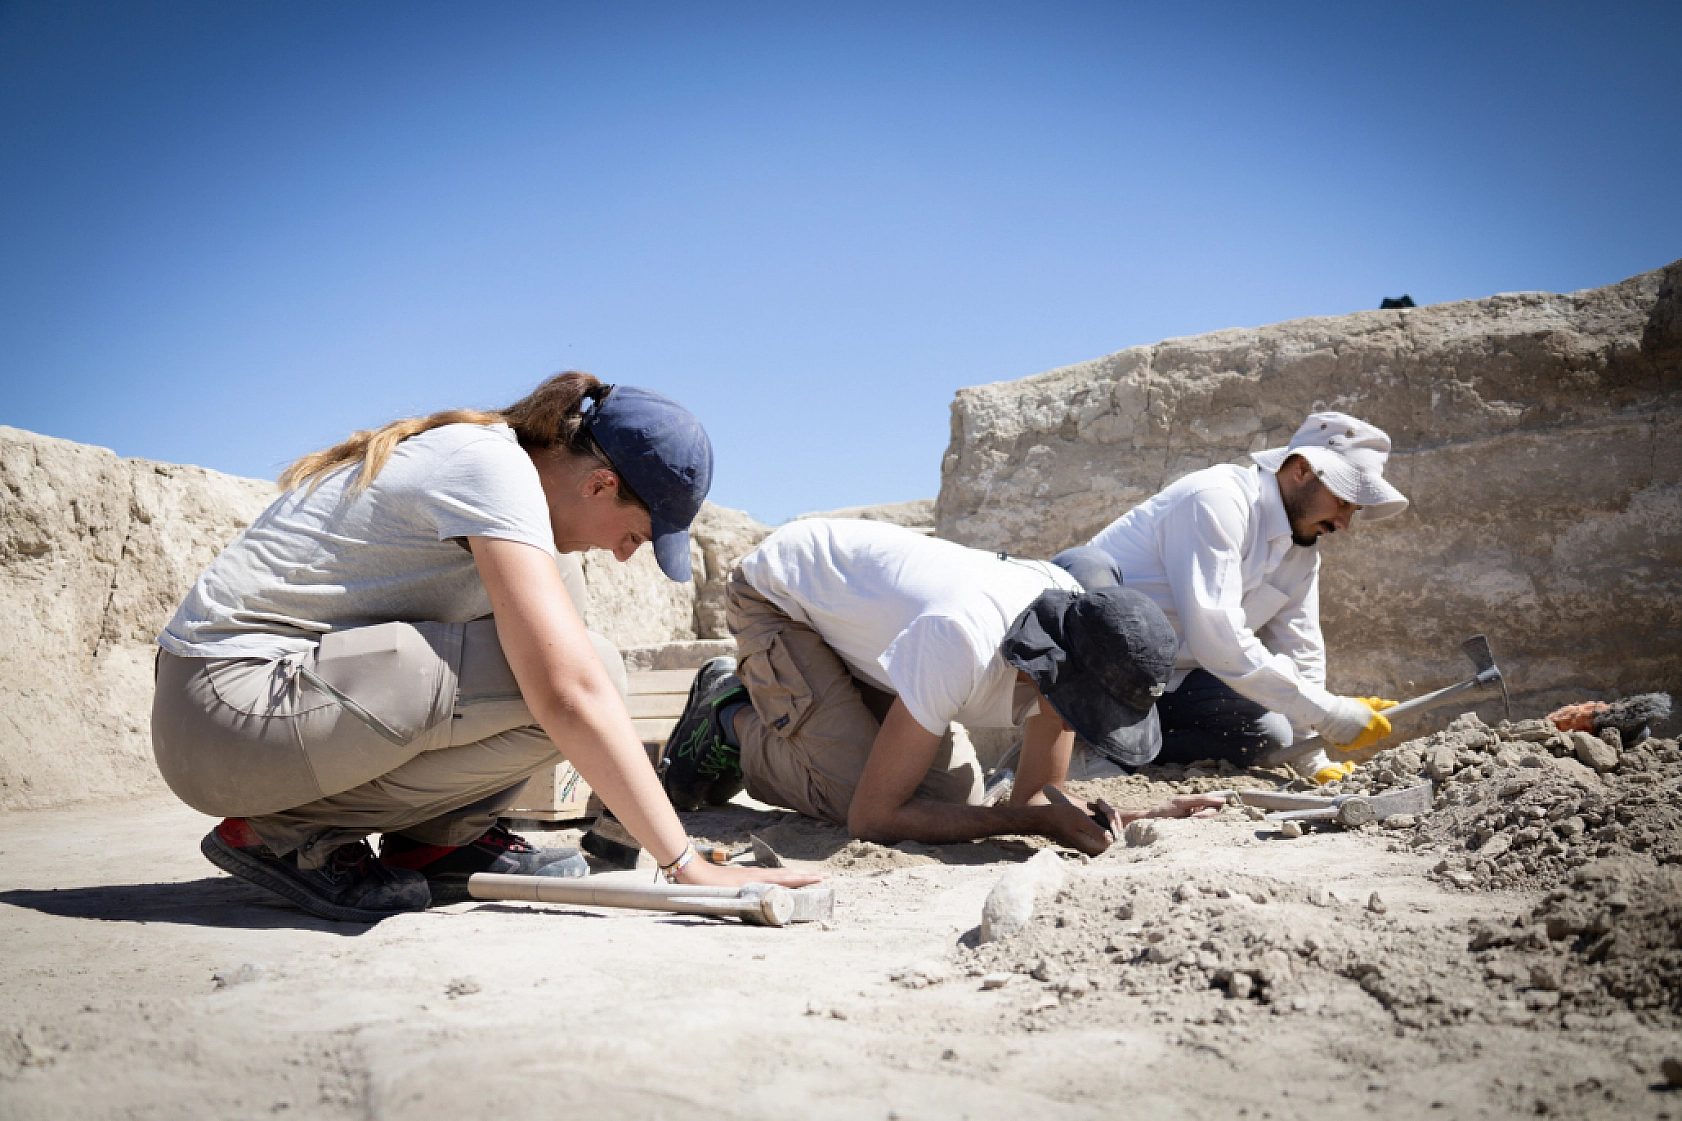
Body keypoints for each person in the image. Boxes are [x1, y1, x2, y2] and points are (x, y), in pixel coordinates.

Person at [151, 371, 819, 922]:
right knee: (579, 679)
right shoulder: (492, 471)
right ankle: (284, 835)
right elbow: (568, 691)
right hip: (217, 711)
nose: (624, 555)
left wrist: (628, 837)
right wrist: (684, 866)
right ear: (600, 485)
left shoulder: (518, 492)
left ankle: (439, 844)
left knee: (586, 654)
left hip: (262, 715)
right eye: (636, 535)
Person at [658, 518, 1223, 854]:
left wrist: (1146, 814)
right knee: (850, 794)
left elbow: (1035, 799)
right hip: (780, 600)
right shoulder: (962, 638)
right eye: (1092, 711)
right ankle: (728, 715)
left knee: (955, 803)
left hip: (863, 626)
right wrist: (1032, 821)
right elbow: (872, 819)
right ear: (1059, 671)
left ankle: (764, 713)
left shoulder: (1069, 634)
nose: (1083, 725)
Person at [1052, 411, 1408, 783]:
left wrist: (1313, 757)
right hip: (1099, 675)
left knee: (1271, 736)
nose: (1344, 523)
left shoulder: (1301, 551)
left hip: (1168, 685)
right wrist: (1329, 711)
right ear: (1301, 470)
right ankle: (1079, 748)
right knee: (1086, 570)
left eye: (1355, 509)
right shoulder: (1216, 500)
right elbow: (1216, 639)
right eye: (1343, 502)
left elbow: (1300, 647)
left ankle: (1127, 755)